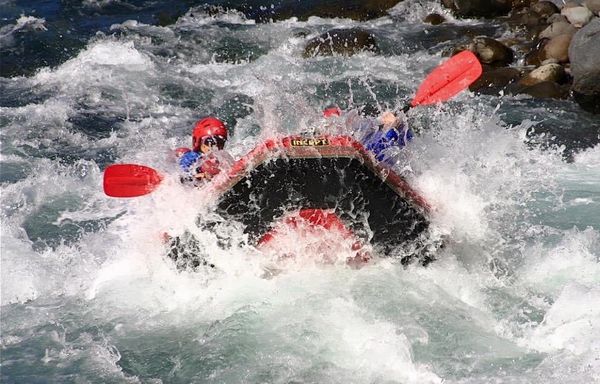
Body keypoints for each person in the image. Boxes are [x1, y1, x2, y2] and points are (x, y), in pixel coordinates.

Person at [175, 116, 233, 185]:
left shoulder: (221, 157)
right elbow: (180, 178)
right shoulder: (191, 157)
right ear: (198, 142)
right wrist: (199, 176)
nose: (215, 146)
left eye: (220, 142)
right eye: (210, 142)